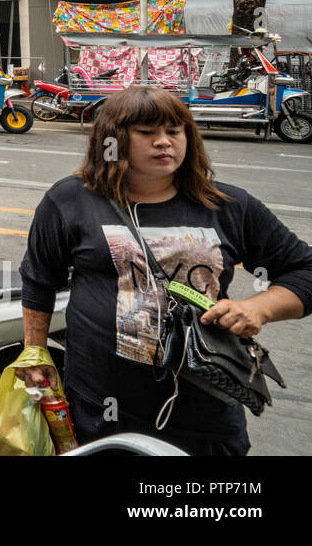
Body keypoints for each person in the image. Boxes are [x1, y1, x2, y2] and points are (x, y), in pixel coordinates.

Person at [17, 86, 312, 456]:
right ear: (113, 140)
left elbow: (304, 270)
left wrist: (258, 308)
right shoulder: (69, 200)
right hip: (99, 406)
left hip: (204, 413)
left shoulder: (230, 206)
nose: (163, 142)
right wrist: (35, 353)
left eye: (174, 131)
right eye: (146, 133)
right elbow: (39, 280)